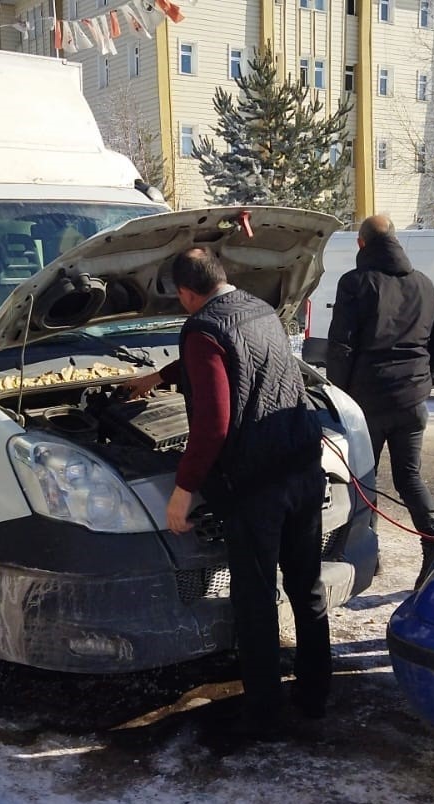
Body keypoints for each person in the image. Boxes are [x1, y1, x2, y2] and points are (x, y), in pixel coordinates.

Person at [125, 247, 329, 740]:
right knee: (306, 586)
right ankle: (316, 693)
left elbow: (213, 425)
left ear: (185, 293)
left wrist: (184, 490)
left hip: (257, 486)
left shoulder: (201, 329)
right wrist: (161, 376)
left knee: (255, 600)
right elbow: (238, 361)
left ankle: (263, 715)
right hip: (302, 467)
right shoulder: (259, 309)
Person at [323, 214, 434, 589]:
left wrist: (340, 395)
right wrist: (424, 375)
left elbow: (341, 346)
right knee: (409, 478)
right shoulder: (423, 283)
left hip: (368, 400)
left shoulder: (355, 283)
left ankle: (370, 553)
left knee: (365, 479)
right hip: (412, 400)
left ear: (361, 244)